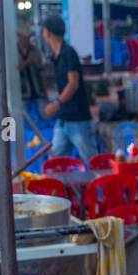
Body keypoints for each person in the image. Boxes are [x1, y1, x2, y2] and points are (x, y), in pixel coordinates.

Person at [41, 13, 96, 163]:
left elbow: (73, 83)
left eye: (43, 30)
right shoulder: (56, 56)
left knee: (91, 161)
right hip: (64, 119)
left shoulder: (68, 53)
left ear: (48, 32)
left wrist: (56, 103)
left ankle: (99, 186)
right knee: (55, 160)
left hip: (78, 118)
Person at [18, 27, 46, 133]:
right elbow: (15, 69)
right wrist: (28, 61)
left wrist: (45, 91)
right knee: (25, 118)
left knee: (44, 115)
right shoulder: (14, 52)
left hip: (38, 89)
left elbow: (41, 70)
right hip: (24, 92)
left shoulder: (35, 50)